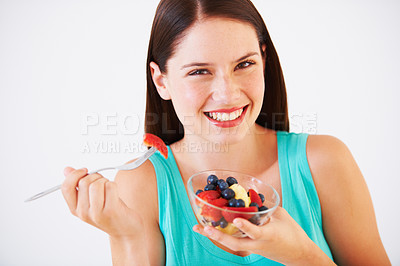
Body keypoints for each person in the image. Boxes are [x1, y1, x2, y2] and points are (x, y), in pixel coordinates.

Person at [61, 0, 391, 265]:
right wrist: (127, 238)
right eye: (200, 71)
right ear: (161, 81)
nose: (228, 94)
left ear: (263, 60)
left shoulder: (325, 162)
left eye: (244, 64)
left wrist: (301, 256)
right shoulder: (140, 182)